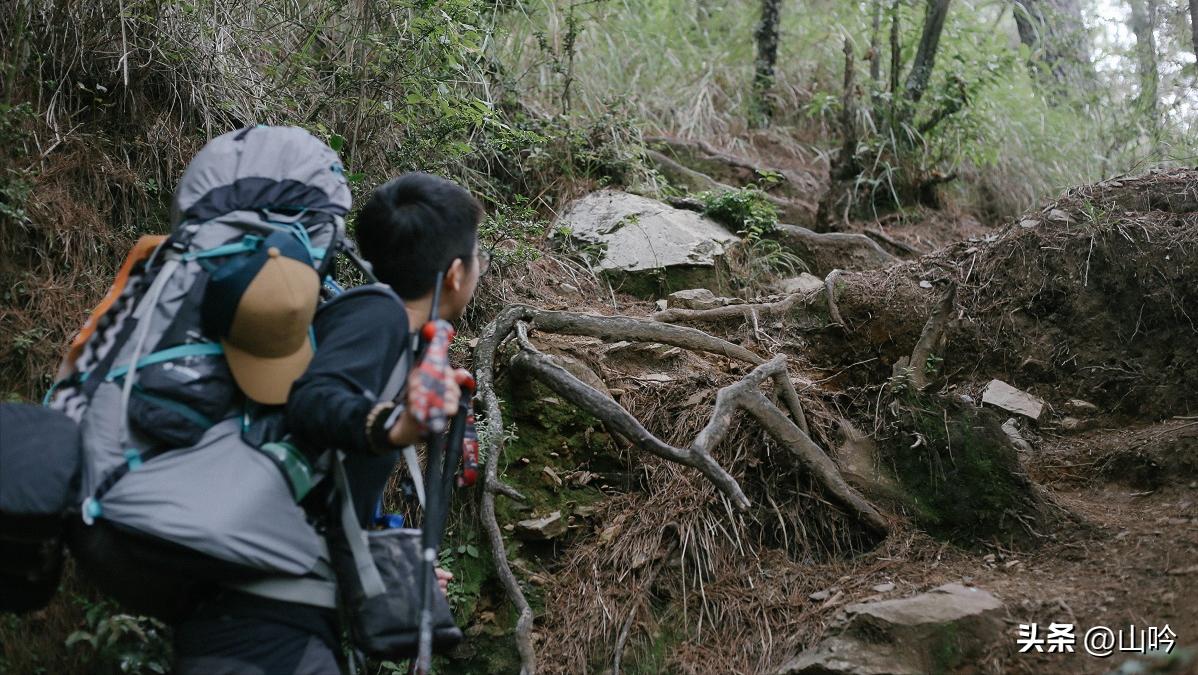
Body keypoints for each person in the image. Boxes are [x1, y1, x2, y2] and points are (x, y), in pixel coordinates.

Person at [172, 172, 490, 675]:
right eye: (479, 257)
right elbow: (314, 400)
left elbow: (321, 481)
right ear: (455, 274)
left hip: (276, 614)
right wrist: (394, 425)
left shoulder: (388, 334)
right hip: (260, 624)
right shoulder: (377, 315)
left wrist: (390, 568)